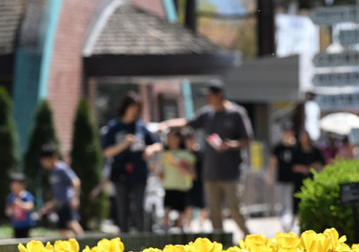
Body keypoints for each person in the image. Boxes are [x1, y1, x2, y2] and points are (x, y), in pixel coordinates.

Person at [161, 80, 253, 236]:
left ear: (220, 95)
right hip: (211, 173)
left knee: (234, 208)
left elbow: (248, 139)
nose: (208, 99)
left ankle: (250, 239)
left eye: (210, 96)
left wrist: (231, 145)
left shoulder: (237, 113)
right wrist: (166, 124)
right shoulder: (207, 114)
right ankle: (219, 243)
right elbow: (187, 122)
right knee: (214, 212)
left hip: (231, 173)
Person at [102, 92, 162, 233]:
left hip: (139, 171)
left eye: (137, 108)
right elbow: (106, 152)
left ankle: (142, 235)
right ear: (125, 107)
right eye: (132, 107)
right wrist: (124, 144)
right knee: (122, 207)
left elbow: (158, 144)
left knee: (140, 205)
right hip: (120, 171)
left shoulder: (141, 126)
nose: (134, 111)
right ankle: (124, 237)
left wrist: (150, 150)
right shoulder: (114, 126)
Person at [39, 144, 84, 237]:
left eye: (45, 161)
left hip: (67, 202)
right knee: (62, 229)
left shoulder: (62, 168)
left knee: (71, 223)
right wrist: (50, 205)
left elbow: (76, 181)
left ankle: (84, 242)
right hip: (60, 205)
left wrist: (75, 198)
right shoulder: (52, 173)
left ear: (53, 157)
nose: (44, 163)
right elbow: (58, 195)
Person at [158, 129, 196, 230]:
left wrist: (178, 165)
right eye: (168, 138)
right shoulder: (164, 155)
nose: (170, 140)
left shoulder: (187, 155)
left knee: (181, 216)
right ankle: (165, 236)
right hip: (168, 187)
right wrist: (155, 171)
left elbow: (192, 175)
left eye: (173, 137)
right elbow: (161, 175)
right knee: (166, 212)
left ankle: (181, 238)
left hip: (182, 188)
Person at [266, 121, 296, 232]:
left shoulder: (295, 147)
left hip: (294, 179)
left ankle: (291, 224)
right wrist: (269, 175)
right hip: (282, 178)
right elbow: (273, 162)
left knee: (292, 203)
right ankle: (285, 225)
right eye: (285, 132)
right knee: (283, 203)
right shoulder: (278, 147)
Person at [291, 129, 325, 218]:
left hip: (312, 181)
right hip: (299, 182)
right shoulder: (295, 150)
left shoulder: (315, 150)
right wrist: (304, 169)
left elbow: (322, 163)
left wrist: (310, 167)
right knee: (298, 204)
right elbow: (292, 166)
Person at [183, 129, 207, 231]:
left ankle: (202, 226)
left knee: (203, 205)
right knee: (188, 205)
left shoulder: (201, 153)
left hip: (201, 182)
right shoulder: (184, 154)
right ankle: (189, 226)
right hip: (187, 182)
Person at [5, 173, 35, 238]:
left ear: (23, 185)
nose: (15, 186)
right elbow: (7, 211)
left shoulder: (27, 195)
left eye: (17, 184)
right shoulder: (10, 197)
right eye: (13, 184)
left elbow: (30, 206)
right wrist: (11, 209)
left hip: (26, 225)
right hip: (16, 224)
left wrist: (20, 204)